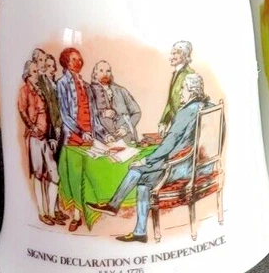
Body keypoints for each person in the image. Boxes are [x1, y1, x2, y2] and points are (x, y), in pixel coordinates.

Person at [88, 73, 213, 243]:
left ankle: (119, 211)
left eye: (183, 88)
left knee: (138, 171)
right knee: (142, 176)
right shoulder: (209, 107)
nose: (180, 92)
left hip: (182, 167)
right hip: (203, 166)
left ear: (191, 91)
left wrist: (147, 161)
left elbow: (169, 144)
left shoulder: (186, 112)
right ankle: (127, 219)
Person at [18, 59, 63, 226]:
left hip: (46, 138)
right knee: (38, 175)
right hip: (35, 138)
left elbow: (49, 115)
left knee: (54, 175)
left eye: (38, 71)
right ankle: (43, 213)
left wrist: (51, 136)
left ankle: (51, 212)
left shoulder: (41, 90)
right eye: (35, 72)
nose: (38, 74)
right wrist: (32, 127)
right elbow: (22, 110)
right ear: (27, 75)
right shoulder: (25, 91)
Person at [56, 46, 97, 231]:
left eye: (80, 59)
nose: (78, 62)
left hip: (89, 136)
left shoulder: (85, 84)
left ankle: (86, 212)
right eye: (74, 59)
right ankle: (77, 216)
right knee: (74, 176)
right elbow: (65, 114)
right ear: (66, 62)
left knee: (86, 176)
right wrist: (80, 132)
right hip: (73, 137)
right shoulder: (62, 83)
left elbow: (92, 113)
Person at [90, 60, 142, 144]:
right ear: (95, 74)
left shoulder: (121, 90)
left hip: (126, 139)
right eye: (101, 70)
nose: (105, 74)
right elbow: (89, 116)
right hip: (103, 141)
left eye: (108, 71)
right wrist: (102, 113)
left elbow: (137, 112)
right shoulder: (90, 91)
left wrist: (125, 128)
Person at [158, 41, 195, 135]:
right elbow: (170, 102)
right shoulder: (176, 73)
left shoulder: (189, 75)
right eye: (172, 54)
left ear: (183, 54)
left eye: (174, 54)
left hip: (185, 128)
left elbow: (190, 106)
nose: (171, 58)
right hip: (176, 126)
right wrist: (164, 122)